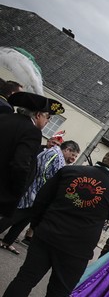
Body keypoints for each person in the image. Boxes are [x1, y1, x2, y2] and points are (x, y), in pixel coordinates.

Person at [0, 147, 109, 297]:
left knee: (24, 279)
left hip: (47, 234)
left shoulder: (71, 171)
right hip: (76, 248)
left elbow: (42, 199)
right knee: (58, 293)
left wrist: (38, 225)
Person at [0, 139, 80, 254]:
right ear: (67, 150)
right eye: (73, 155)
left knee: (24, 219)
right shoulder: (54, 154)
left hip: (38, 193)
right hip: (35, 190)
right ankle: (7, 240)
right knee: (17, 215)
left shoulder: (57, 156)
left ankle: (8, 241)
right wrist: (52, 187)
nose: (73, 159)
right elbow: (44, 172)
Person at [0, 92, 64, 220]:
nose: (48, 122)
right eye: (48, 117)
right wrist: (19, 190)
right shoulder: (32, 132)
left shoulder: (4, 118)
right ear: (38, 115)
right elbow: (20, 164)